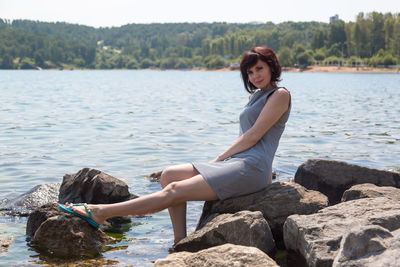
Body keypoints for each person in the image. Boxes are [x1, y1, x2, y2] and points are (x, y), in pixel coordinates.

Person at [59, 46, 291, 245]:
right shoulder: (256, 96)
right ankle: (180, 242)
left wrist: (219, 159)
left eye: (259, 68)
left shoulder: (279, 95)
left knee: (174, 191)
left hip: (254, 167)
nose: (255, 75)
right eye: (250, 72)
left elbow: (253, 137)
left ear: (272, 66)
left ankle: (100, 212)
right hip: (240, 162)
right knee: (169, 175)